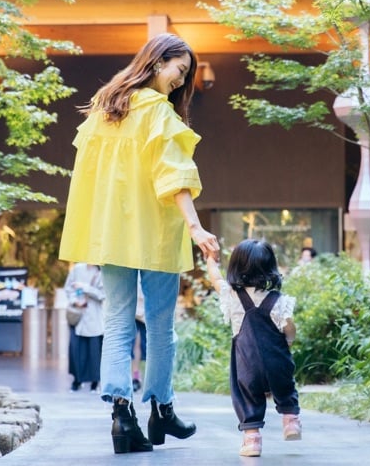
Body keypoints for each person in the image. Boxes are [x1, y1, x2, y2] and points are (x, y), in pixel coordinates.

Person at [59, 32, 219, 454]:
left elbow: (88, 177)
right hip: (156, 233)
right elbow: (175, 176)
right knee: (161, 326)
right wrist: (196, 228)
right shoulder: (158, 112)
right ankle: (162, 410)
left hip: (113, 234)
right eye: (179, 70)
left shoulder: (104, 107)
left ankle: (121, 417)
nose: (179, 81)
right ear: (157, 61)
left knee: (117, 322)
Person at [205, 239, 301, 457]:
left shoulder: (232, 295)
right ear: (270, 267)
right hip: (277, 359)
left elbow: (215, 278)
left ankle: (252, 440)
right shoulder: (277, 299)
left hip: (247, 362)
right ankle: (291, 421)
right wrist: (288, 341)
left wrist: (211, 260)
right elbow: (289, 326)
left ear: (236, 267)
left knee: (247, 395)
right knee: (285, 387)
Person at [64, 262, 105, 393]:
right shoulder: (77, 268)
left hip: (94, 317)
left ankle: (95, 382)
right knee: (76, 350)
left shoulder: (102, 271)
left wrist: (85, 287)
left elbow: (103, 294)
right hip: (79, 316)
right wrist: (75, 301)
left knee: (94, 352)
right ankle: (77, 380)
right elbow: (68, 288)